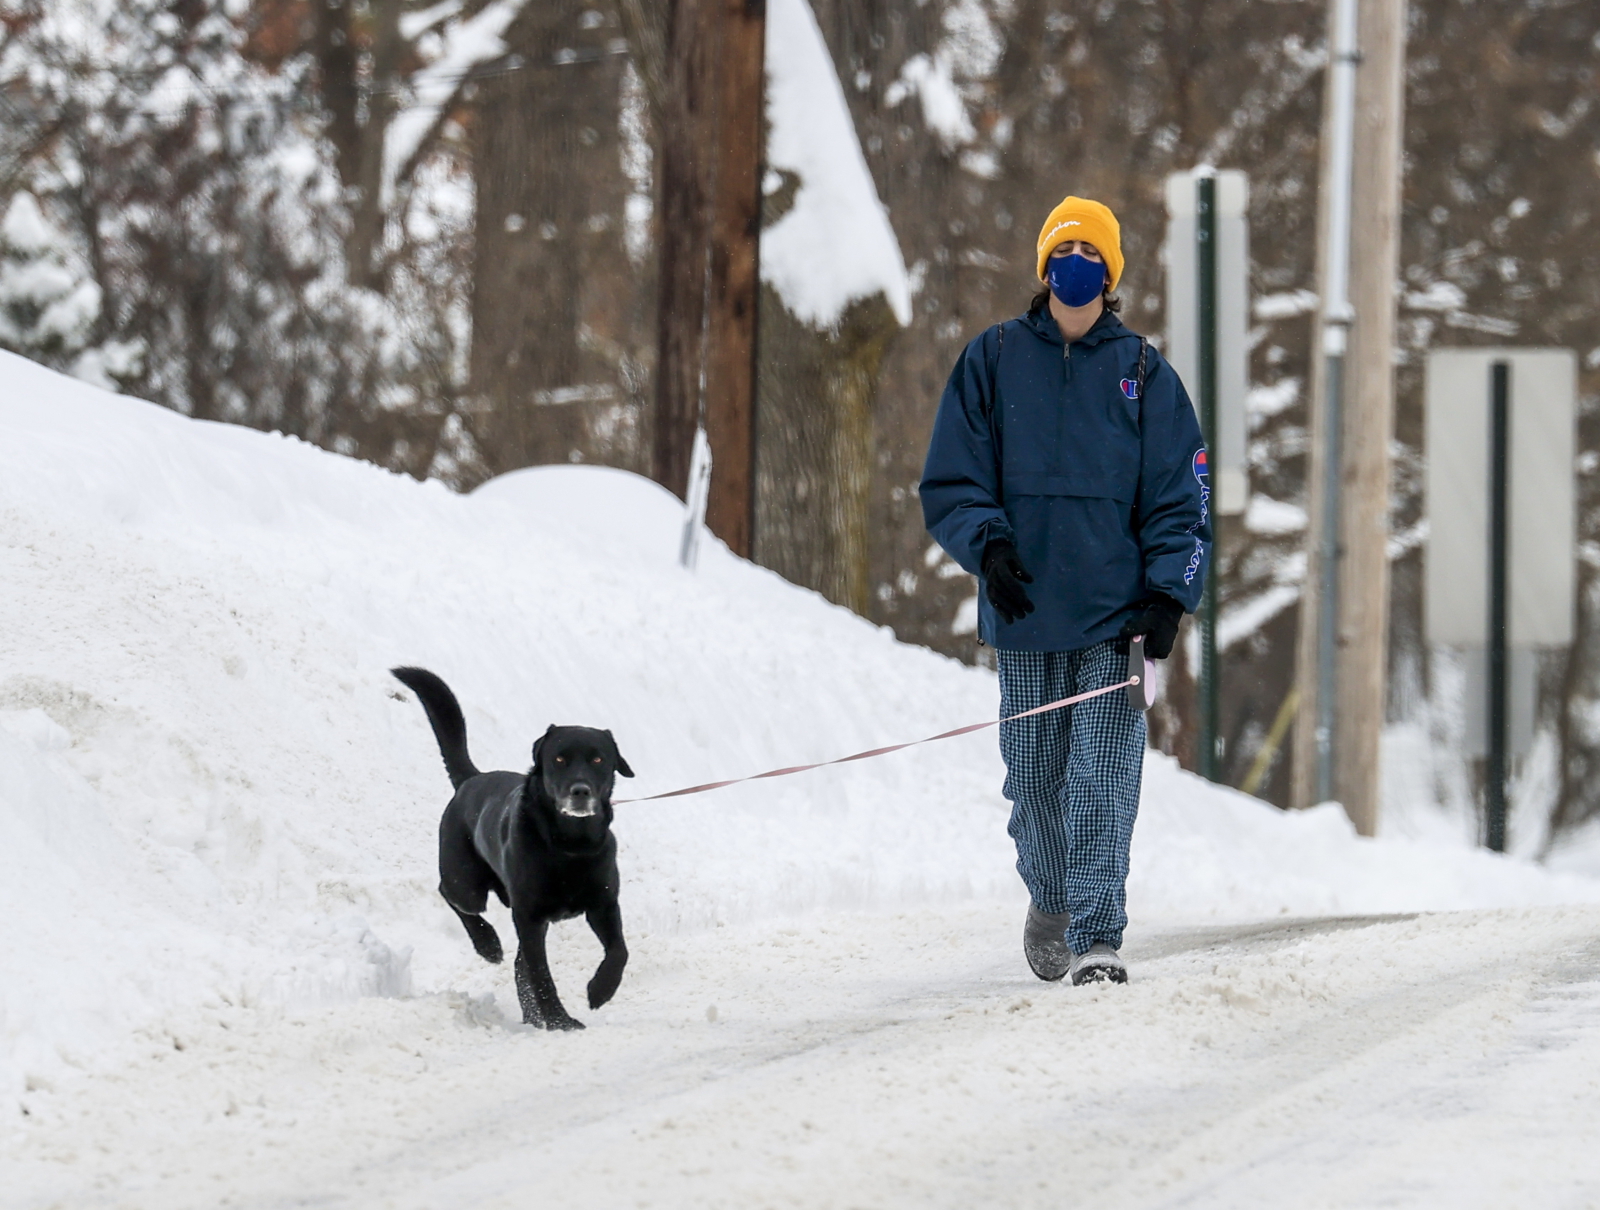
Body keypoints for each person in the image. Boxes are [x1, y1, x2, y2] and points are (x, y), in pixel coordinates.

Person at [920, 195, 1211, 985]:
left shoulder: (1144, 373)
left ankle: (1094, 935)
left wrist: (1167, 596)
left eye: (1092, 249)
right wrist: (991, 547)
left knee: (1103, 775)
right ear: (1044, 264)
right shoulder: (993, 357)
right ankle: (1050, 896)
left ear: (1110, 272)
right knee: (1035, 777)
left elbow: (1181, 497)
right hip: (1025, 614)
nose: (1075, 260)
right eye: (1064, 247)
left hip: (1115, 622)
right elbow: (951, 479)